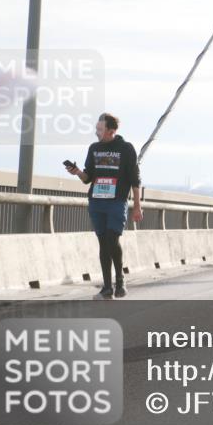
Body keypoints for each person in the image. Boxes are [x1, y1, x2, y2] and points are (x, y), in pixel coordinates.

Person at [65, 112, 143, 299]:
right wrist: (77, 172)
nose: (96, 132)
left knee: (112, 240)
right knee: (103, 243)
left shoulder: (126, 148)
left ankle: (120, 280)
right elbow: (88, 178)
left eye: (100, 129)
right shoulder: (94, 148)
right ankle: (107, 288)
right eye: (96, 129)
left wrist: (137, 206)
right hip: (96, 202)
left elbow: (135, 180)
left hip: (116, 202)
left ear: (111, 130)